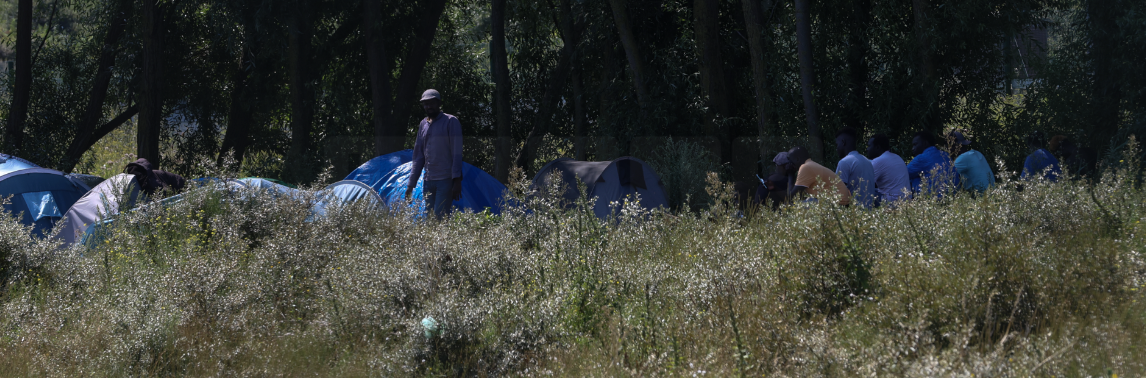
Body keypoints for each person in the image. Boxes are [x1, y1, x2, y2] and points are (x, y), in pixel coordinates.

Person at [406, 89, 463, 219]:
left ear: (439, 103)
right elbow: (418, 157)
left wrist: (457, 181)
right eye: (425, 104)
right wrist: (411, 185)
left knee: (440, 218)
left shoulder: (450, 121)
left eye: (431, 103)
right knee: (430, 218)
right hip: (428, 180)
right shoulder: (423, 124)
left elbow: (457, 153)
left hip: (445, 180)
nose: (428, 107)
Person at [784, 146, 851, 206]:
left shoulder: (806, 167)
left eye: (789, 159)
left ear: (797, 159)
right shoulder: (810, 165)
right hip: (840, 203)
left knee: (791, 207)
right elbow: (800, 195)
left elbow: (791, 198)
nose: (788, 163)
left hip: (837, 204)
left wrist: (790, 174)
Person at [906, 131, 959, 197]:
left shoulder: (922, 158)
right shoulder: (946, 155)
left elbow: (902, 175)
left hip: (934, 198)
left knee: (910, 179)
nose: (913, 148)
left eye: (915, 144)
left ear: (925, 143)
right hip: (953, 196)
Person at [834, 128, 877, 208]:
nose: (837, 148)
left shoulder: (844, 162)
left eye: (837, 144)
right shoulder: (867, 162)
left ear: (843, 142)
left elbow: (838, 194)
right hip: (869, 214)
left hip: (853, 215)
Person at [865, 133, 910, 205]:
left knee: (861, 193)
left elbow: (864, 184)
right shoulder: (897, 157)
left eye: (869, 146)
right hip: (906, 201)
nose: (867, 149)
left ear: (877, 147)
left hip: (893, 203)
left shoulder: (878, 161)